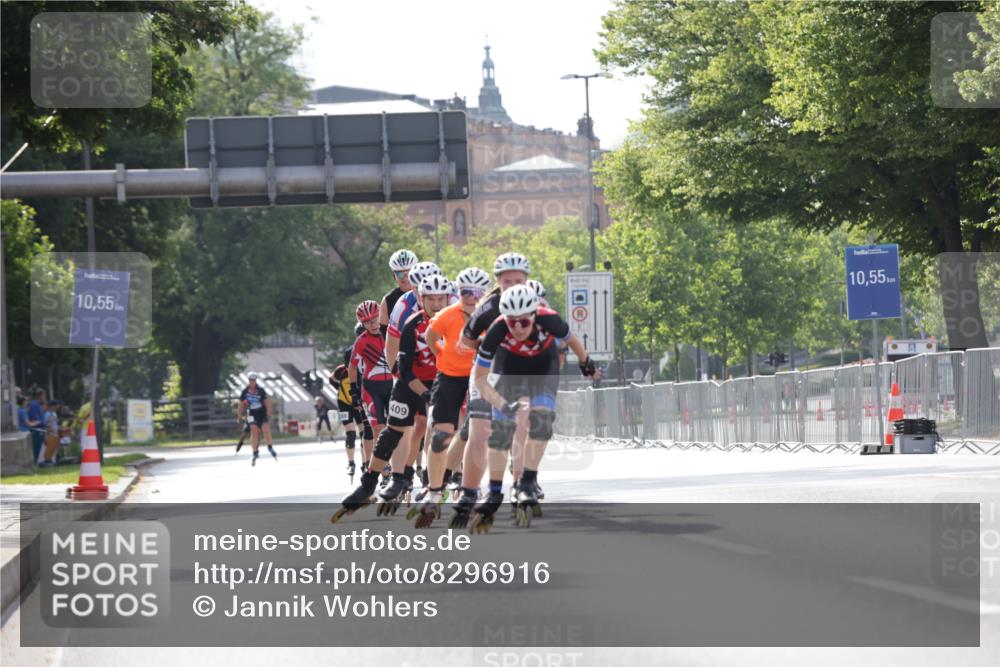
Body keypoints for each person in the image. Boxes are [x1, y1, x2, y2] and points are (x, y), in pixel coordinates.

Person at [469, 284, 599, 531]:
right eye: (512, 322)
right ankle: (494, 492)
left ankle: (527, 482)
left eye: (524, 322)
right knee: (500, 433)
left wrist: (586, 363)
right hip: (508, 367)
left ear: (534, 315)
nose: (518, 328)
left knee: (542, 423)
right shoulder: (497, 328)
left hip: (543, 366)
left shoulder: (549, 319)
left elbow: (572, 341)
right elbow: (480, 380)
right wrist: (502, 405)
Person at [331, 275, 453, 523]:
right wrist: (424, 393)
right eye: (430, 299)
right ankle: (374, 483)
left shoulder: (457, 321)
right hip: (412, 380)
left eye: (441, 299)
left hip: (445, 379)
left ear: (448, 298)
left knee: (441, 430)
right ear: (420, 298)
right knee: (393, 430)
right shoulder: (409, 321)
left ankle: (439, 483)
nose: (436, 304)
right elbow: (401, 368)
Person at [450, 252, 531, 527]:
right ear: (498, 281)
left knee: (521, 428)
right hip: (487, 373)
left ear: (527, 280)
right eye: (507, 281)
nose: (513, 286)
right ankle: (469, 493)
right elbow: (465, 341)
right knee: (480, 432)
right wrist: (488, 345)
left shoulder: (536, 304)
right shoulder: (488, 307)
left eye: (518, 281)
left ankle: (520, 486)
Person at [416, 266, 492, 525]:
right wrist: (442, 355)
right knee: (440, 436)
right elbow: (430, 337)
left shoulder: (492, 317)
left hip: (479, 377)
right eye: (465, 292)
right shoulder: (447, 315)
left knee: (475, 434)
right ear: (457, 292)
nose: (471, 297)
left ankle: (470, 485)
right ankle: (434, 491)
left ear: (485, 293)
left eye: (477, 292)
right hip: (449, 376)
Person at [350, 300, 394, 451]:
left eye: (375, 319)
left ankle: (397, 462)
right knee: (378, 429)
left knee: (397, 428)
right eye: (367, 322)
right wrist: (353, 391)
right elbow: (352, 367)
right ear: (362, 324)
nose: (373, 324)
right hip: (371, 389)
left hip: (393, 386)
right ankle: (382, 463)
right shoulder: (361, 341)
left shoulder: (391, 334)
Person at [379, 249, 419, 339]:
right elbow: (384, 334)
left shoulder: (426, 294)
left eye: (409, 273)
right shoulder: (387, 300)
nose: (405, 277)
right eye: (400, 274)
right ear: (394, 275)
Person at [239, 373, 276, 466]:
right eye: (251, 380)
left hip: (261, 413)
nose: (252, 382)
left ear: (256, 381)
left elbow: (267, 402)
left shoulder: (260, 390)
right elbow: (241, 405)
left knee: (266, 429)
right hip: (251, 414)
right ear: (248, 381)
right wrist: (240, 416)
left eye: (254, 380)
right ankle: (255, 451)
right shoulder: (244, 392)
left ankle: (270, 446)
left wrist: (268, 414)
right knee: (254, 431)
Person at [27, 389, 46, 465]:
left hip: (40, 428)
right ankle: (35, 463)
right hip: (36, 430)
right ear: (40, 396)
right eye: (44, 396)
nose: (45, 398)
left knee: (39, 448)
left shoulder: (38, 405)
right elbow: (35, 419)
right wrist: (42, 423)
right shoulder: (34, 405)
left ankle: (37, 462)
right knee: (36, 448)